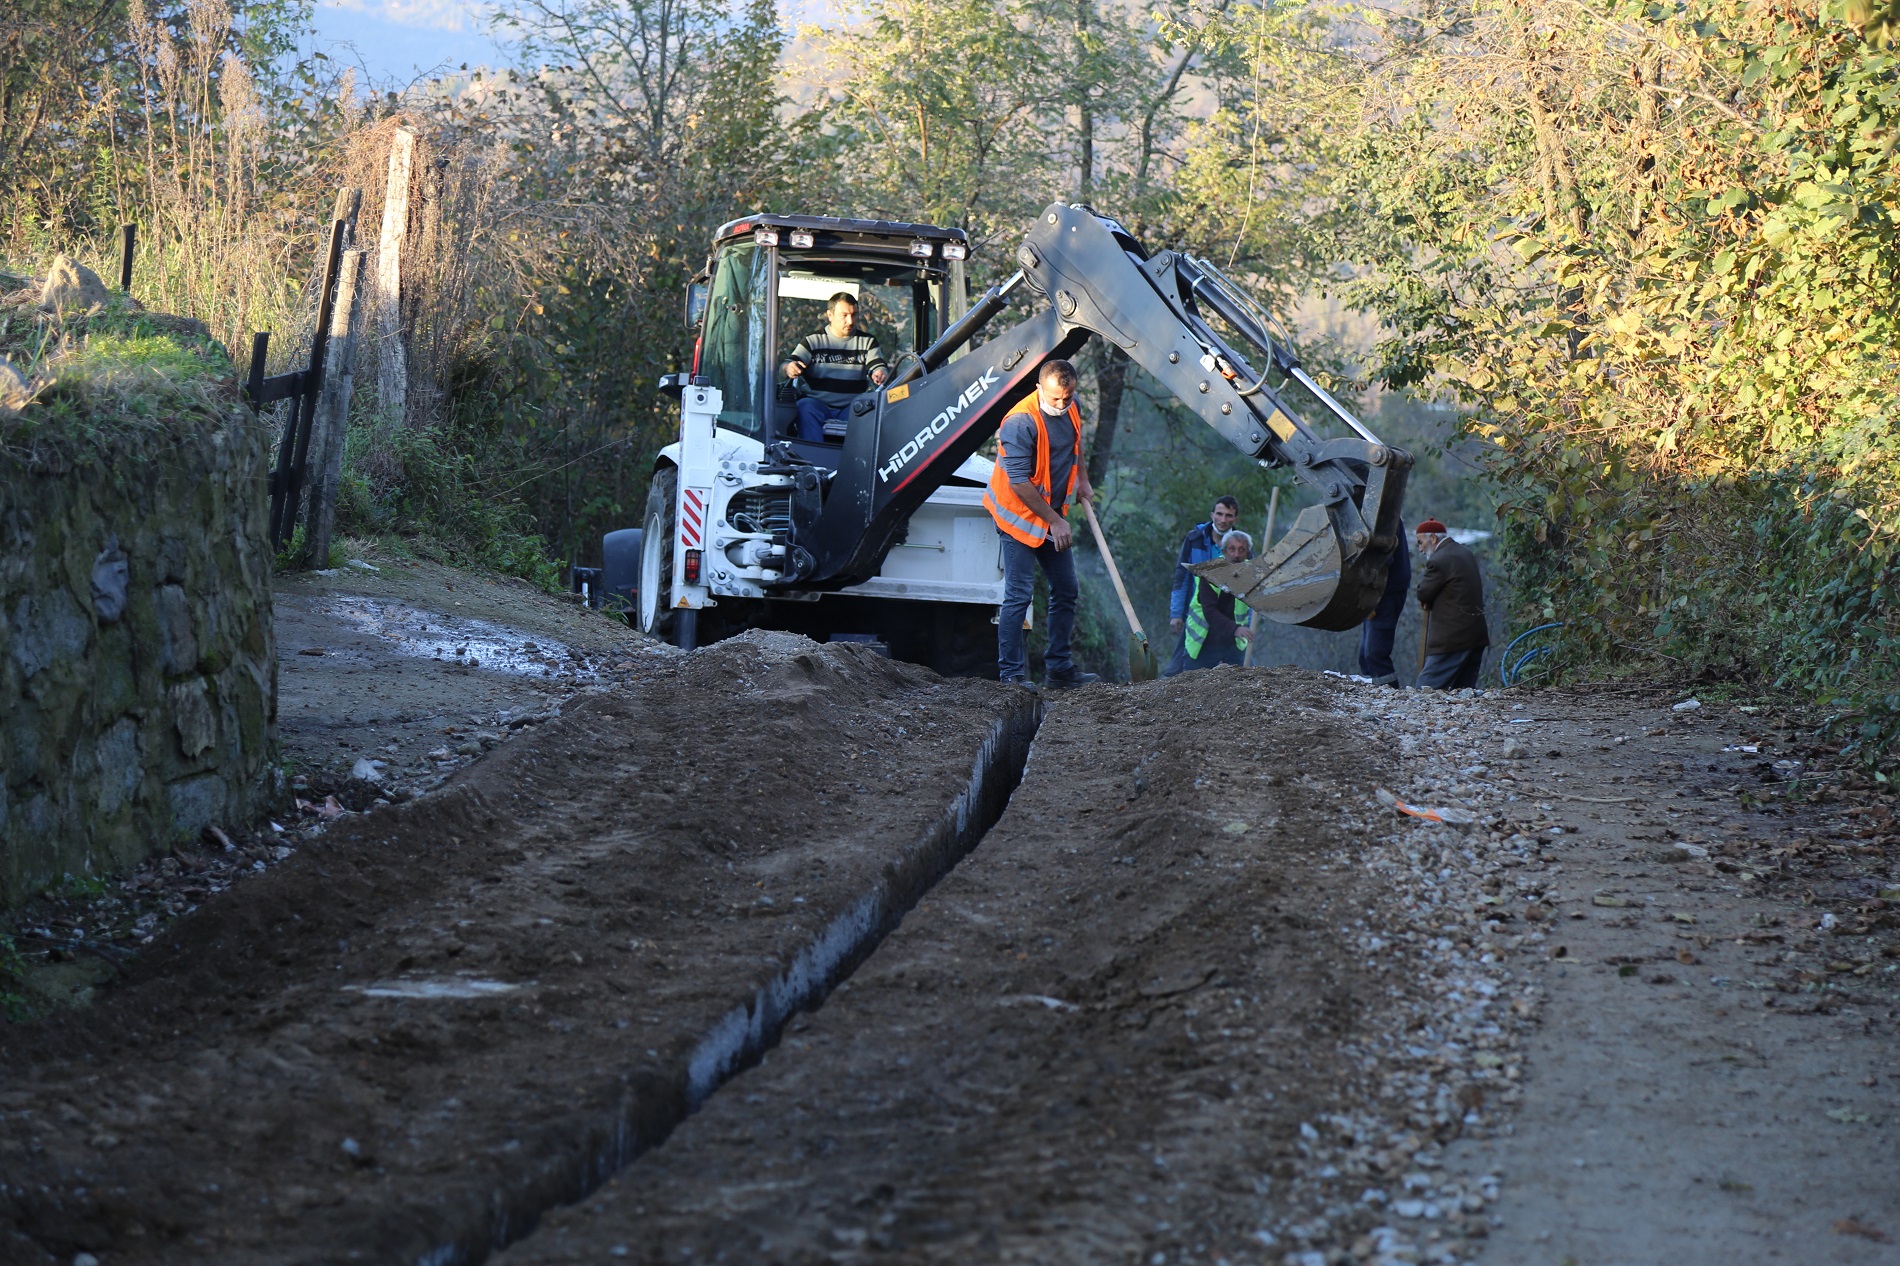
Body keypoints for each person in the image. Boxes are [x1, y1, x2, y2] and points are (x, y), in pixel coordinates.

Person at [984, 360, 1100, 689]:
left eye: (1067, 397)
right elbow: (1020, 483)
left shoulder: (1072, 406)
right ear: (1039, 389)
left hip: (1051, 517)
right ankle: (1011, 678)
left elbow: (1075, 447)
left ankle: (1059, 670)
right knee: (1019, 595)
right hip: (1018, 516)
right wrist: (1055, 521)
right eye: (1055, 398)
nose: (1061, 405)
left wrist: (1083, 480)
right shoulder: (1020, 422)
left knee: (1066, 589)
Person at [782, 293, 888, 442]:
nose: (850, 321)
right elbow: (787, 364)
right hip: (817, 405)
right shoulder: (813, 341)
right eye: (844, 315)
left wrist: (880, 372)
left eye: (854, 315)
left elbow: (877, 365)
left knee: (870, 410)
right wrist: (789, 368)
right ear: (830, 315)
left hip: (851, 407)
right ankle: (813, 457)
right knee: (804, 407)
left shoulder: (867, 342)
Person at [1165, 495, 1240, 676]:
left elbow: (1247, 586)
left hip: (1226, 615)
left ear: (1235, 519)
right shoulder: (1194, 539)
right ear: (1212, 514)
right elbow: (1181, 578)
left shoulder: (1240, 545)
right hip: (1196, 612)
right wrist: (1176, 614)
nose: (1223, 520)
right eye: (1219, 514)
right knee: (1179, 666)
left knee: (1239, 668)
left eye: (1229, 515)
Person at [1413, 518, 1489, 690]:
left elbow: (1423, 591)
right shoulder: (1464, 552)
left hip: (1453, 639)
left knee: (1424, 690)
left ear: (1432, 538)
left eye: (1420, 542)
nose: (1419, 548)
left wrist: (1427, 598)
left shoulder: (1439, 560)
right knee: (1463, 693)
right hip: (1475, 636)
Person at [1179, 529, 1254, 672]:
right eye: (1232, 549)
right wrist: (1235, 629)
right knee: (1193, 685)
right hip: (1204, 640)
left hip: (1234, 641)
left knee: (1245, 682)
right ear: (1224, 551)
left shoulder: (1253, 574)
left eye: (1241, 550)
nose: (1236, 555)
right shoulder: (1210, 574)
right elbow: (1209, 611)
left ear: (1248, 554)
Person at [1358, 536, 1413, 686]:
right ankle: (1372, 692)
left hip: (1384, 591)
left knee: (1375, 654)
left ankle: (1391, 694)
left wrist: (1370, 597)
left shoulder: (1381, 513)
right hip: (1378, 590)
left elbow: (1380, 556)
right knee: (1364, 656)